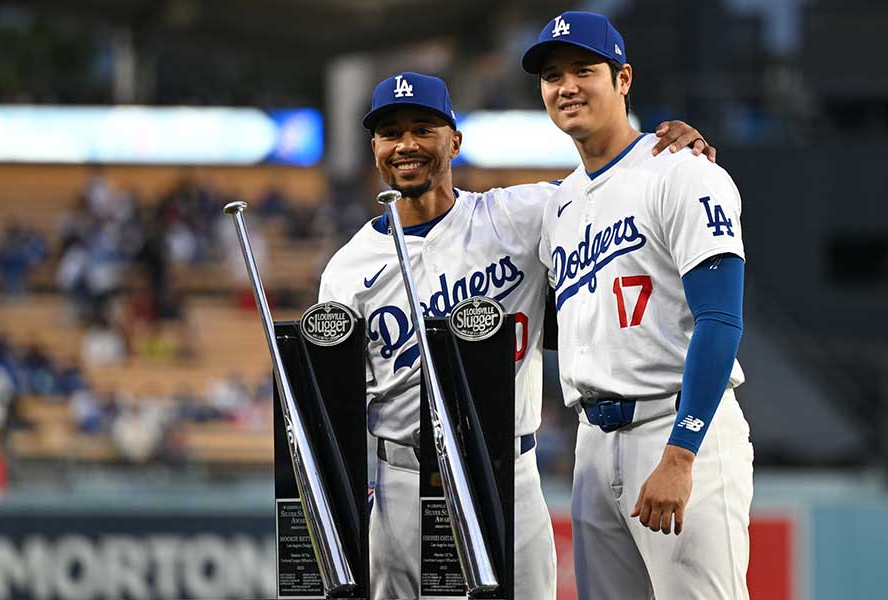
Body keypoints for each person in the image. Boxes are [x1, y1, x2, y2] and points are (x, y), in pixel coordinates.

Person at [318, 71, 712, 600]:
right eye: (391, 132)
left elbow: (610, 189)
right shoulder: (346, 271)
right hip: (402, 484)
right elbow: (334, 406)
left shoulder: (520, 216)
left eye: (423, 128)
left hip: (508, 472)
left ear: (454, 141)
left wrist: (672, 154)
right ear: (375, 149)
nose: (406, 144)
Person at [523, 12, 753, 599]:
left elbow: (721, 319)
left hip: (674, 428)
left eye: (584, 69)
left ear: (623, 78)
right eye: (552, 75)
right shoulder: (558, 205)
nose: (566, 86)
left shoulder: (682, 171)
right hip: (592, 446)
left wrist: (682, 451)